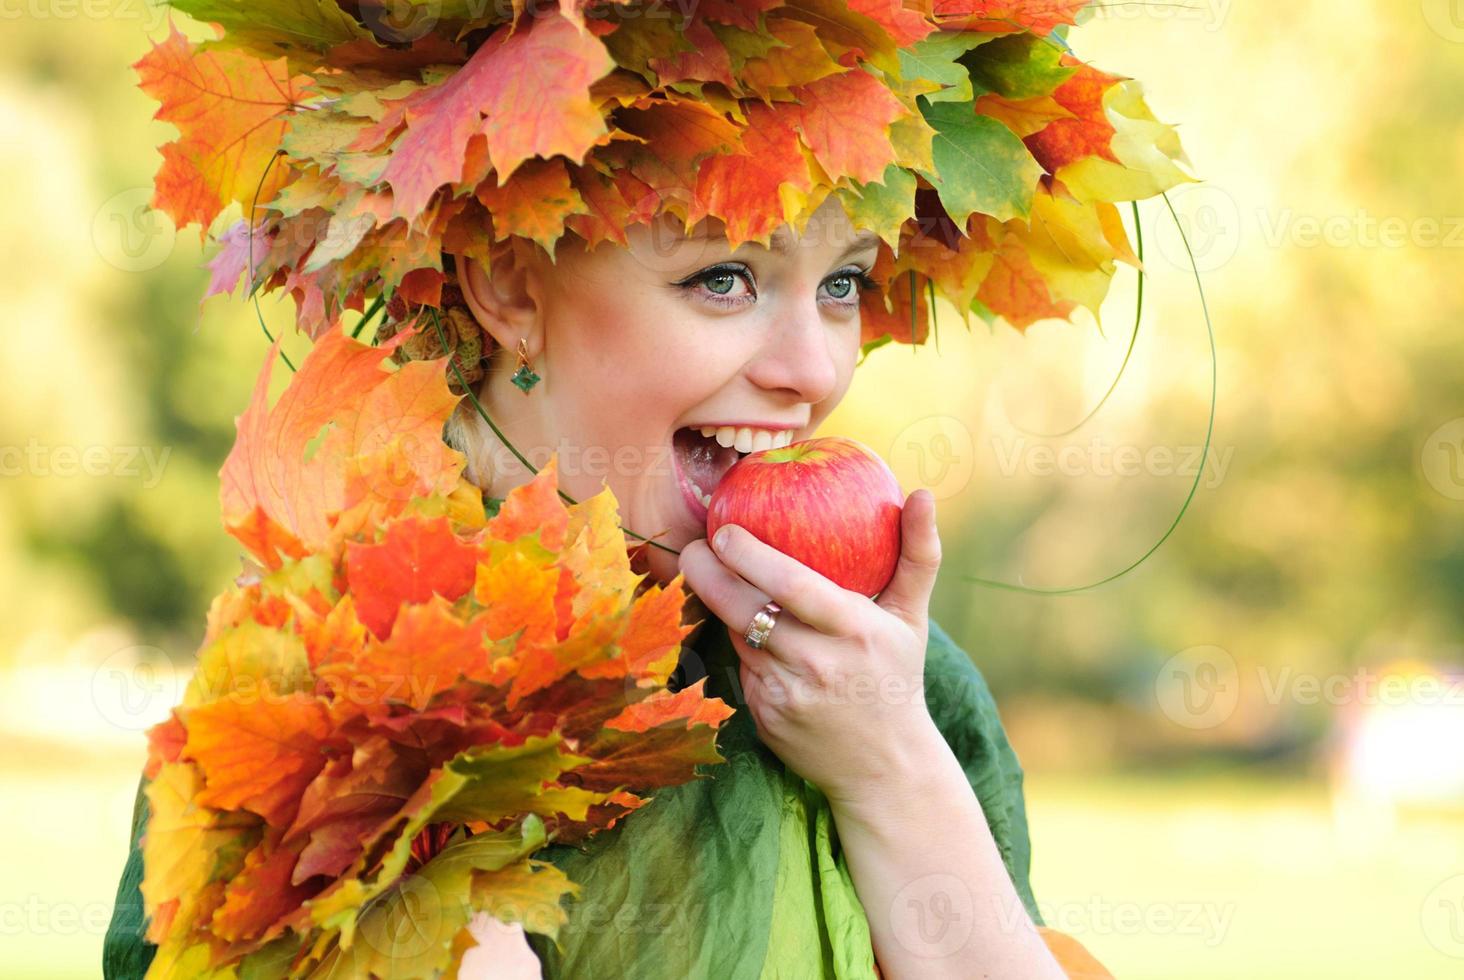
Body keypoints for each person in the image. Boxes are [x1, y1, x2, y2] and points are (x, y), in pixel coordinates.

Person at [107, 2, 1190, 974]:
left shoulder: (896, 681)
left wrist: (891, 765)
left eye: (845, 282)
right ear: (510, 285)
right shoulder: (331, 701)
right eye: (724, 277)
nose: (813, 372)